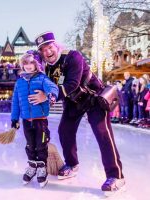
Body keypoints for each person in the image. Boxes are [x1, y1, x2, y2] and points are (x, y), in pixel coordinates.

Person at [28, 31, 125, 195]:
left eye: (49, 47)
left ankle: (116, 176)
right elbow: (51, 91)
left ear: (56, 45)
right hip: (73, 103)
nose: (47, 52)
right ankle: (72, 164)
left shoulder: (73, 56)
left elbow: (72, 84)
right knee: (64, 130)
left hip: (94, 99)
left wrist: (49, 95)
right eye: (43, 50)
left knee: (102, 134)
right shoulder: (48, 69)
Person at [11, 53, 58, 187]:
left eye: (31, 63)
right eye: (25, 63)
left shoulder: (42, 78)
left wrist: (51, 95)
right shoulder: (19, 82)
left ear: (36, 65)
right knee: (30, 144)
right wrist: (15, 119)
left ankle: (42, 168)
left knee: (41, 144)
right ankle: (32, 165)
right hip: (26, 120)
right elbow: (15, 102)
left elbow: (52, 87)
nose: (28, 66)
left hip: (40, 120)